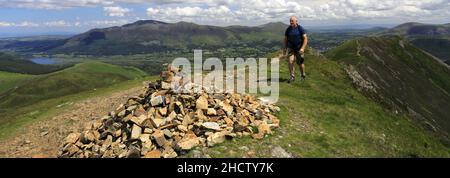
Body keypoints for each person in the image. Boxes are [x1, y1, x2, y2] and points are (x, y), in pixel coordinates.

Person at [284, 16, 308, 83]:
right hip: (291, 48)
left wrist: (303, 48)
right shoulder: (288, 29)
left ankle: (303, 75)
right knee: (290, 61)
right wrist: (285, 48)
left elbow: (305, 38)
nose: (291, 22)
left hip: (299, 49)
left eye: (292, 21)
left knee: (300, 63)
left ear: (296, 21)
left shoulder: (300, 28)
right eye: (290, 21)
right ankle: (292, 76)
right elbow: (285, 39)